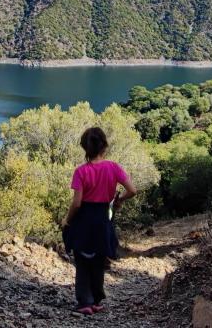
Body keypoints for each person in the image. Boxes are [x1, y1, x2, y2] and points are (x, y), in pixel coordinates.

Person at [62, 127, 136, 315]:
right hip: (103, 218)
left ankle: (84, 302)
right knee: (98, 259)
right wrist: (119, 201)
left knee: (82, 260)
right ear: (104, 146)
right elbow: (132, 190)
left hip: (84, 219)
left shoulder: (81, 172)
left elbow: (77, 203)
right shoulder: (113, 167)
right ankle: (96, 300)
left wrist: (67, 221)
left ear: (85, 148)